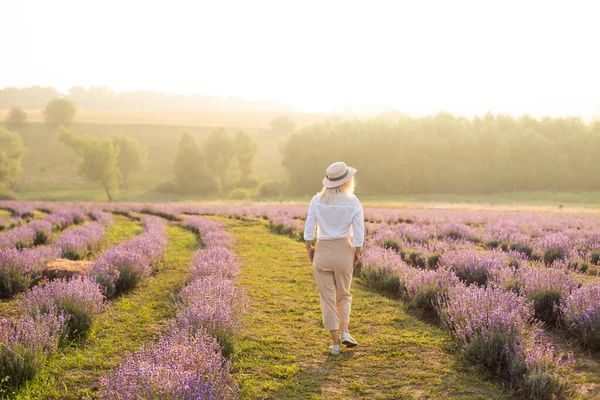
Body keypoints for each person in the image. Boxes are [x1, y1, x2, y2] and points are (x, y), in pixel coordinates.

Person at [304, 161, 365, 355]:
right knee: (344, 294)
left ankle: (336, 344)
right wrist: (357, 252)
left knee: (327, 298)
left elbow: (309, 228)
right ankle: (346, 331)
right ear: (347, 181)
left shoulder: (317, 200)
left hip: (322, 250)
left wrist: (309, 248)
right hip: (343, 250)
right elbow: (359, 232)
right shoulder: (353, 201)